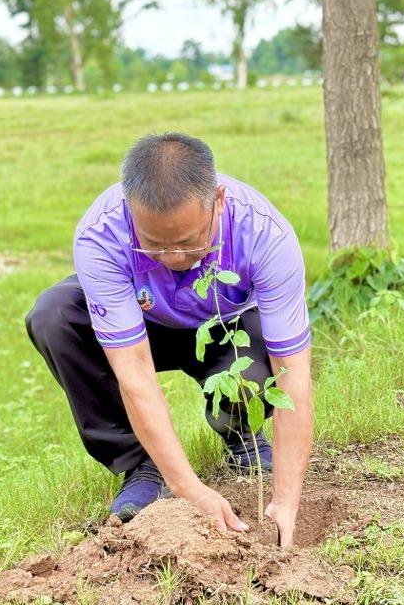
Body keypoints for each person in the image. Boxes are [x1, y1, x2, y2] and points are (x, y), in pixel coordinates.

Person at [25, 132, 314, 548]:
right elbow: (133, 371)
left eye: (190, 240)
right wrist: (189, 488)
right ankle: (141, 465)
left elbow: (294, 373)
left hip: (224, 326)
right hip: (143, 328)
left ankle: (242, 436)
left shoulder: (265, 235)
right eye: (155, 244)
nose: (175, 258)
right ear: (130, 211)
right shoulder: (100, 234)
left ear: (218, 200)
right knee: (54, 314)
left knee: (259, 355)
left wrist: (286, 500)